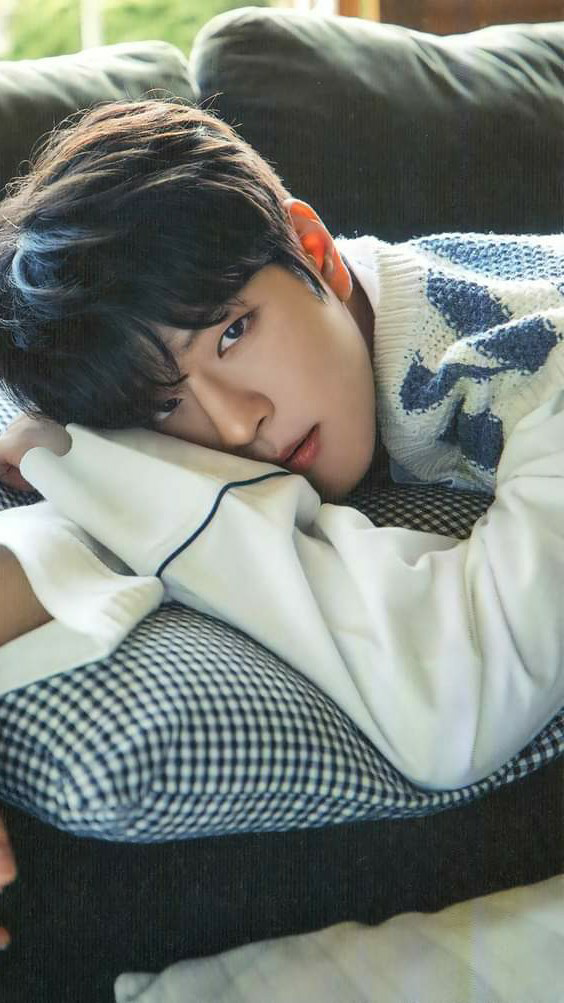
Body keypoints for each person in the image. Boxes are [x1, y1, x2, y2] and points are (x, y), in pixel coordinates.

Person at [0, 98, 564, 943]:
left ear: (314, 250)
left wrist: (101, 468)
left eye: (232, 333)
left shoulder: (534, 360)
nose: (234, 425)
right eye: (161, 409)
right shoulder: (343, 358)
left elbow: (451, 704)